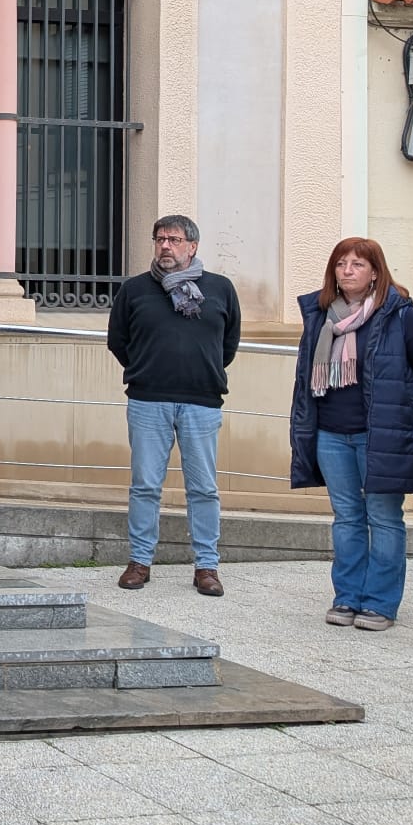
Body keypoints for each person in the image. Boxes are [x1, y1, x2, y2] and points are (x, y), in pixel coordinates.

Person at [289, 239, 413, 633]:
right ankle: (347, 597)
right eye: (341, 263)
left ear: (375, 271)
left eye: (357, 264)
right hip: (330, 434)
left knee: (384, 517)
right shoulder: (320, 315)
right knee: (347, 517)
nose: (347, 270)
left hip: (381, 435)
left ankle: (379, 603)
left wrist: (400, 412)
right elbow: (306, 378)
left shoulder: (400, 316)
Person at [105, 215, 242, 596]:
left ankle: (206, 567)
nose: (165, 246)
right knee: (145, 486)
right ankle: (140, 562)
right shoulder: (135, 290)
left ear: (192, 246)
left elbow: (228, 344)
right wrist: (146, 369)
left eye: (174, 239)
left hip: (202, 402)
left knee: (204, 489)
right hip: (148, 400)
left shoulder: (220, 288)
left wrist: (200, 370)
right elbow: (118, 340)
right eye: (160, 239)